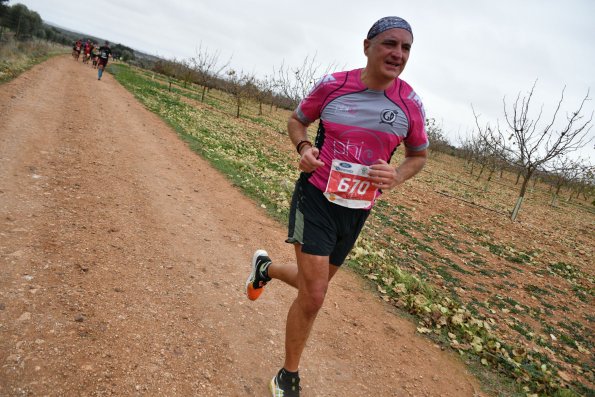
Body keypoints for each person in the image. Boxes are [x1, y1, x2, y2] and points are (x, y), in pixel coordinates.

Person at [245, 16, 429, 396]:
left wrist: (396, 175)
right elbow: (297, 121)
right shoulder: (333, 86)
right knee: (314, 296)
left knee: (313, 284)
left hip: (358, 209)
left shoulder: (409, 102)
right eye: (390, 44)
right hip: (316, 196)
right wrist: (304, 147)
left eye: (406, 48)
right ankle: (287, 376)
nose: (398, 54)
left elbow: (419, 155)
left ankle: (264, 268)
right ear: (367, 46)